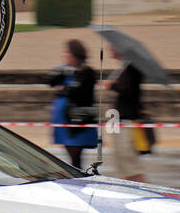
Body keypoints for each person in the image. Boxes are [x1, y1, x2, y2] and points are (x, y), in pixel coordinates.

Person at [47, 38, 99, 170]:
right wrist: (63, 71)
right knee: (72, 155)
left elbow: (79, 91)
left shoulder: (87, 72)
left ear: (75, 54)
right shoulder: (66, 70)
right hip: (65, 119)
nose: (66, 55)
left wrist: (64, 89)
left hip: (78, 120)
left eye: (68, 53)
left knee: (76, 155)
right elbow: (51, 81)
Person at [101, 47, 145, 182]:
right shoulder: (125, 67)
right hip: (120, 119)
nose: (110, 50)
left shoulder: (132, 68)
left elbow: (129, 92)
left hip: (127, 120)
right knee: (122, 161)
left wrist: (112, 86)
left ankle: (140, 188)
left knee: (129, 161)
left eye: (113, 47)